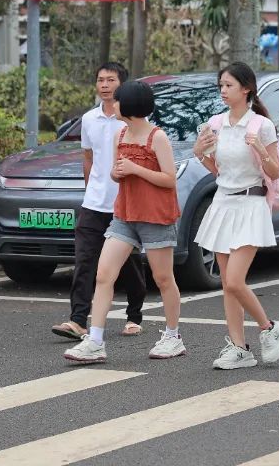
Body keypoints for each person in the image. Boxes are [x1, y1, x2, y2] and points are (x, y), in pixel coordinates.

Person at [64, 80, 185, 364]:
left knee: (163, 278)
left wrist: (135, 169)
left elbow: (169, 180)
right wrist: (118, 174)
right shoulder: (120, 134)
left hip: (155, 215)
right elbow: (116, 173)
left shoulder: (157, 137)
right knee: (104, 274)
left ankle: (173, 336)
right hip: (125, 214)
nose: (112, 104)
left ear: (129, 105)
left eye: (117, 100)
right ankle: (95, 340)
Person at [192, 62, 279, 369]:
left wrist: (261, 149)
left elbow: (274, 172)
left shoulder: (261, 125)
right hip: (223, 202)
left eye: (229, 85)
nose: (223, 90)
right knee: (227, 284)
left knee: (234, 281)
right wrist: (199, 152)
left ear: (246, 89)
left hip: (251, 203)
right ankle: (239, 348)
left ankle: (269, 328)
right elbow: (218, 170)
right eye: (221, 85)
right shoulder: (215, 124)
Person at [52, 63, 146, 341]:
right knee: (84, 261)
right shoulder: (89, 119)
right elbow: (88, 158)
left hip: (124, 203)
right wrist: (90, 191)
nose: (104, 85)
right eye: (100, 80)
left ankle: (134, 315)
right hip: (93, 203)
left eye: (111, 80)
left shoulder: (131, 120)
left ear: (122, 84)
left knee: (129, 263)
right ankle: (78, 320)